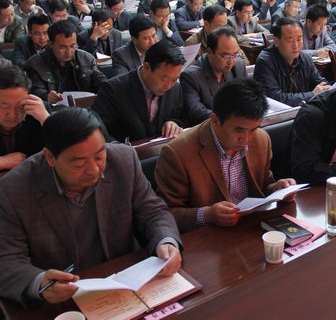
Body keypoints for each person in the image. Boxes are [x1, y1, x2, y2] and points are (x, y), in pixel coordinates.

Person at [0, 108, 181, 305]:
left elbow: (152, 211)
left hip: (125, 281)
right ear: (50, 157)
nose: (94, 169)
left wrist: (165, 241)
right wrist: (40, 283)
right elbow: (7, 260)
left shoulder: (123, 159)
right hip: (63, 298)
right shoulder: (13, 190)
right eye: (79, 164)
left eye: (99, 156)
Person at [154, 78, 297, 232]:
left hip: (251, 228)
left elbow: (263, 186)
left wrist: (278, 189)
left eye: (253, 129)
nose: (246, 139)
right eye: (239, 130)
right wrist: (208, 215)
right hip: (209, 236)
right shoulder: (178, 152)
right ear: (215, 120)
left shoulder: (261, 139)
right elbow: (164, 215)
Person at [92, 40, 187, 142]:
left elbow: (180, 116)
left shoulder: (175, 89)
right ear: (146, 67)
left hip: (161, 148)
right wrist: (120, 148)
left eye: (174, 79)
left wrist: (174, 123)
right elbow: (97, 130)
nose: (168, 85)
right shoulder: (113, 89)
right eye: (164, 78)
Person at [24, 20, 106, 104]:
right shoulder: (34, 64)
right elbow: (35, 90)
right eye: (63, 47)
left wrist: (106, 87)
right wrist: (46, 95)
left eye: (72, 46)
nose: (69, 52)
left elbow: (99, 80)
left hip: (84, 106)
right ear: (51, 44)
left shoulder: (86, 59)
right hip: (53, 109)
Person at [253, 17, 329, 106]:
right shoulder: (265, 62)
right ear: (276, 40)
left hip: (304, 109)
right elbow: (275, 98)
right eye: (290, 40)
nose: (295, 45)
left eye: (299, 39)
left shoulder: (304, 58)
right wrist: (312, 94)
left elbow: (320, 82)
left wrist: (326, 88)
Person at [181, 28, 247, 126]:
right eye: (226, 56)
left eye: (235, 55)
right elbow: (196, 113)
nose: (231, 61)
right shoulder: (191, 76)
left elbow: (246, 98)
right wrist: (231, 119)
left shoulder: (238, 66)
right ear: (210, 53)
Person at [0, 64, 50, 171]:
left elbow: (68, 152)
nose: (12, 115)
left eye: (20, 106)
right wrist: (2, 162)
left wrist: (46, 121)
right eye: (4, 106)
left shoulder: (39, 111)